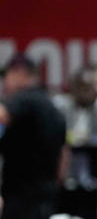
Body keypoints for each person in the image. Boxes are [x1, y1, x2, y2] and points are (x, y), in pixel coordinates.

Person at [0, 54, 66, 219]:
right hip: (47, 195)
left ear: (20, 74)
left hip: (20, 196)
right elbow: (64, 156)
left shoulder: (25, 98)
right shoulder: (52, 106)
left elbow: (2, 115)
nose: (4, 84)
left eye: (6, 76)